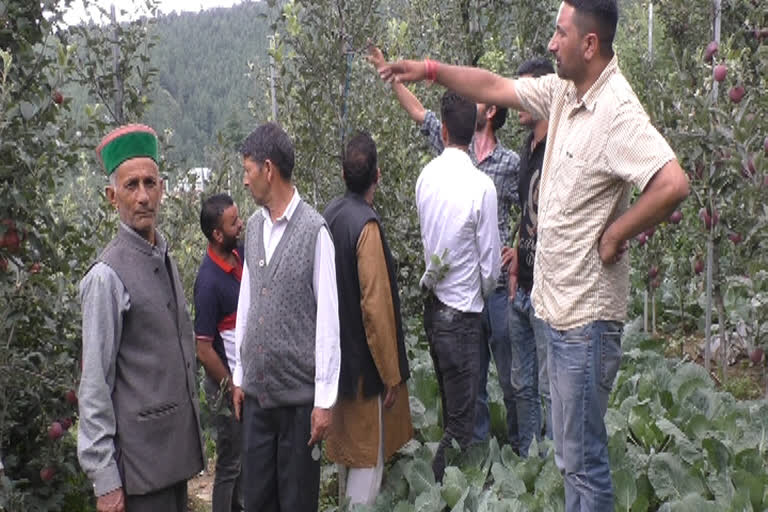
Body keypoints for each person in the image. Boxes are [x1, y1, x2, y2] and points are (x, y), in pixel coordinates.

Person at [380, 0, 689, 508]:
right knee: (570, 459)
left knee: (582, 462)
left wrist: (615, 235)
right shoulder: (566, 92)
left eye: (559, 33)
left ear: (589, 44)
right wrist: (432, 72)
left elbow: (672, 183)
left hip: (586, 319)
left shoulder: (617, 110)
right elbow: (494, 87)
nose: (550, 43)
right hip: (559, 311)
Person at [368, 45, 521, 448]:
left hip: (462, 301)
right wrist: (393, 75)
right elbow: (489, 266)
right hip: (468, 303)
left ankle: (491, 452)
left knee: (483, 387)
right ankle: (468, 464)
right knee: (466, 400)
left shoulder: (493, 166)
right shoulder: (472, 177)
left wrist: (517, 248)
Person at [78, 124, 205, 512]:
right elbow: (95, 384)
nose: (143, 196)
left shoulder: (163, 258)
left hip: (172, 463)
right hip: (138, 472)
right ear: (111, 196)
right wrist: (105, 481)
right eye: (131, 186)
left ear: (163, 189)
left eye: (150, 183)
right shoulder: (106, 277)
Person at [231, 122, 340, 512]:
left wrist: (324, 401)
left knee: (296, 502)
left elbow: (329, 320)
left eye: (247, 171)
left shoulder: (315, 232)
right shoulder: (256, 226)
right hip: (258, 399)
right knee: (258, 500)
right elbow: (248, 300)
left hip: (298, 404)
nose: (245, 181)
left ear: (268, 169)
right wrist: (240, 375)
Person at [323, 132, 413, 506]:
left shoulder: (328, 215)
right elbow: (375, 310)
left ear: (343, 174)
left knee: (346, 455)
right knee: (366, 461)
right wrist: (390, 374)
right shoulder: (366, 226)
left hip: (336, 365)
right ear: (377, 175)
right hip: (364, 370)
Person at [416, 90, 501, 481]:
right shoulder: (482, 186)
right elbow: (491, 268)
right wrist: (479, 295)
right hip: (464, 316)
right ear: (476, 129)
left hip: (434, 312)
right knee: (461, 426)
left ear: (444, 129)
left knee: (452, 410)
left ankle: (441, 491)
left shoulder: (426, 178)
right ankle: (437, 490)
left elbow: (428, 240)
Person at [506, 57, 555, 456]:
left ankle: (555, 469)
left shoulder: (557, 148)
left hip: (547, 289)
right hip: (521, 285)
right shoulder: (528, 147)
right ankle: (527, 461)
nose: (516, 99)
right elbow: (528, 213)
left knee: (548, 384)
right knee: (522, 382)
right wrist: (516, 257)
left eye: (524, 90)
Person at [194, 194, 245, 512]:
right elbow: (203, 349)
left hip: (243, 379)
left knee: (245, 459)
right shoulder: (208, 282)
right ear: (217, 234)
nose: (240, 225)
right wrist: (232, 385)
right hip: (225, 385)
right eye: (233, 222)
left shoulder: (239, 256)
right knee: (230, 464)